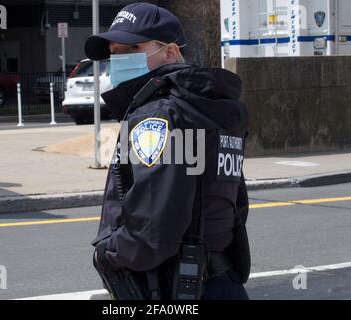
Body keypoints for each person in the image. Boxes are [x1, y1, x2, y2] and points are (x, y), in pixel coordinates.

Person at [86, 2, 250, 300]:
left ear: (171, 52)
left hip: (173, 287)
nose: (118, 59)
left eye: (132, 48)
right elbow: (234, 205)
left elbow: (152, 231)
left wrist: (107, 254)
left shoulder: (158, 116)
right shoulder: (209, 109)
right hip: (220, 280)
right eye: (114, 52)